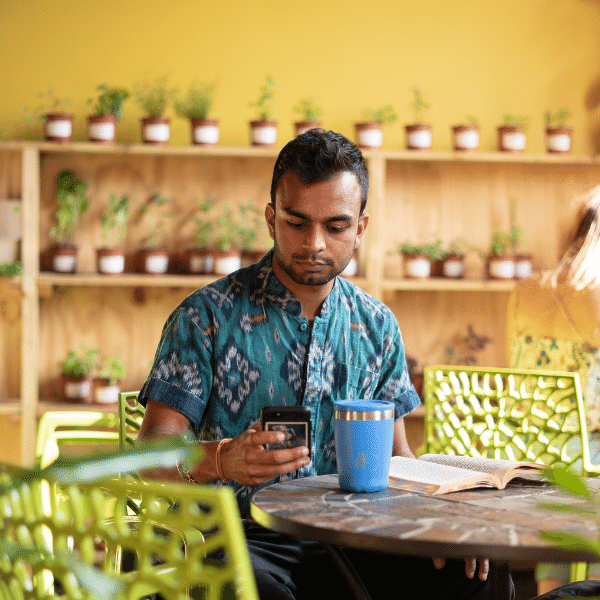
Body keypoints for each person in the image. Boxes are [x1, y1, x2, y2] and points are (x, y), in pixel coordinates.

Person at [137, 128, 493, 600]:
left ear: (361, 228)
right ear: (270, 219)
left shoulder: (377, 325)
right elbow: (148, 458)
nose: (315, 243)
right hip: (236, 536)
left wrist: (451, 520)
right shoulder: (205, 317)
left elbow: (395, 460)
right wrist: (224, 458)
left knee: (473, 577)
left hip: (352, 540)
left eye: (336, 226)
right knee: (254, 589)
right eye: (297, 222)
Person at [506, 186, 600, 596]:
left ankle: (550, 590)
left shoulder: (527, 289)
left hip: (531, 448)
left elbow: (512, 372)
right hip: (585, 460)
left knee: (569, 460)